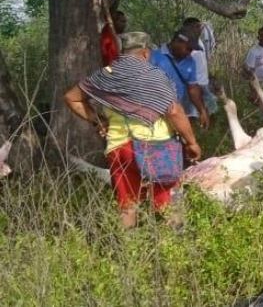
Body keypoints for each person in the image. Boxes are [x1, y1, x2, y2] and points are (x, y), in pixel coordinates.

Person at [63, 32, 202, 228]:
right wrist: (192, 143)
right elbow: (174, 111)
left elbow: (72, 98)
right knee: (167, 202)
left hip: (120, 148)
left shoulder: (106, 74)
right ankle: (174, 245)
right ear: (145, 53)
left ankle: (130, 251)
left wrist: (99, 121)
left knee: (127, 205)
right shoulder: (153, 76)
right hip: (156, 148)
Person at [150, 27, 210, 129]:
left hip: (176, 113)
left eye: (191, 50)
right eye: (188, 48)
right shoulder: (154, 57)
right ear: (177, 41)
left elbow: (193, 88)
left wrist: (202, 111)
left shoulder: (190, 62)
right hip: (154, 114)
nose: (189, 53)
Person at [182, 17, 218, 117]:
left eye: (199, 27)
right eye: (196, 27)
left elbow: (202, 62)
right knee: (193, 114)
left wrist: (209, 75)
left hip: (204, 84)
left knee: (210, 111)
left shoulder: (199, 42)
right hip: (194, 86)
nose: (200, 29)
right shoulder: (185, 45)